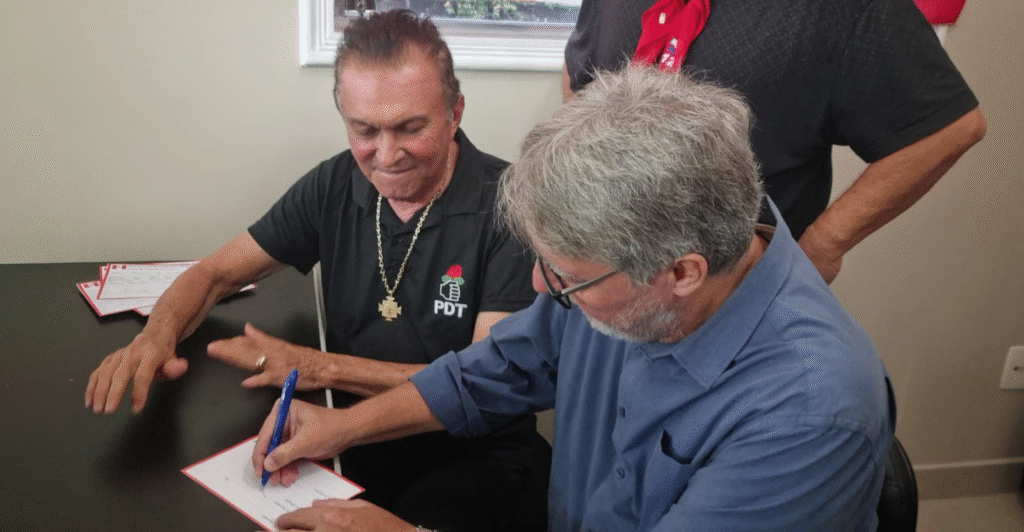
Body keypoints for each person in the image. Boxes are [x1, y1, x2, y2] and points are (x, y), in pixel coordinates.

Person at [251, 66, 896, 532]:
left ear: (680, 273)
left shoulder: (809, 415)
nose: (540, 286)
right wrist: (343, 426)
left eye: (566, 276)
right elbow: (489, 372)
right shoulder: (628, 273)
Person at [84, 9, 550, 532]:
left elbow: (484, 384)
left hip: (470, 455)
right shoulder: (334, 184)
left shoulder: (510, 207)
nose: (386, 155)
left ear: (455, 112)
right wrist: (156, 336)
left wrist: (322, 369)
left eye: (410, 128)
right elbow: (215, 273)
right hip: (349, 435)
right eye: (364, 130)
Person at [563, 0, 987, 284]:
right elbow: (579, 76)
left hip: (737, 285)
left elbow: (947, 129)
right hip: (608, 259)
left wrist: (823, 246)